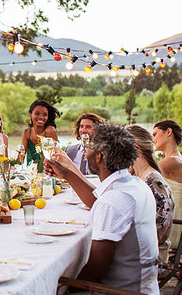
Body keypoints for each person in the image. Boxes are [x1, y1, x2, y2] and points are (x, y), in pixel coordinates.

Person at [44, 124, 159, 294]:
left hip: (122, 291)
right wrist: (66, 174)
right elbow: (97, 200)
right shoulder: (134, 184)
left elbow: (95, 271)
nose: (85, 151)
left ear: (98, 156)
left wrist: (64, 289)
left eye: (89, 147)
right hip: (146, 286)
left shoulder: (113, 200)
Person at [127, 125, 174, 264]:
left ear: (135, 146)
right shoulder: (137, 175)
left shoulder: (153, 181)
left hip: (152, 256)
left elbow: (159, 231)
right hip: (141, 248)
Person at [153, 120, 182, 250]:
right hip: (170, 219)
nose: (153, 139)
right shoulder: (174, 159)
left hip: (173, 226)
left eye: (155, 134)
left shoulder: (173, 161)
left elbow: (143, 175)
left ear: (169, 132)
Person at [21, 100, 60, 167]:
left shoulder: (50, 130)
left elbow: (55, 157)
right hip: (31, 172)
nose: (41, 117)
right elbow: (21, 159)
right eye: (37, 113)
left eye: (45, 114)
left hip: (49, 172)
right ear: (30, 114)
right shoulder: (27, 133)